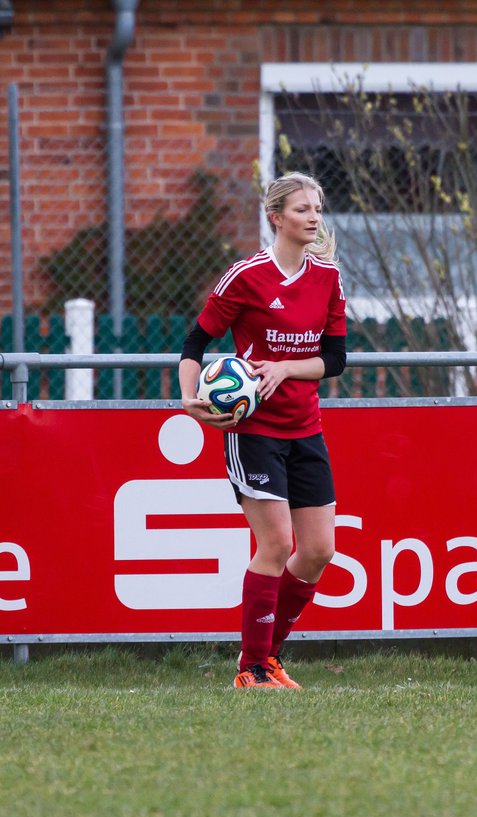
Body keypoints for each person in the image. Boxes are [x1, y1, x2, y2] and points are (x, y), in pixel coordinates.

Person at [178, 172, 347, 690]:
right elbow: (195, 344)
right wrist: (190, 403)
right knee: (275, 544)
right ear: (276, 218)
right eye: (301, 209)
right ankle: (251, 668)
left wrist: (285, 369)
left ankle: (267, 658)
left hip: (305, 429)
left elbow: (335, 360)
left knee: (318, 550)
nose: (313, 217)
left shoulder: (327, 279)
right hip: (253, 431)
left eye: (316, 208)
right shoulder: (245, 277)